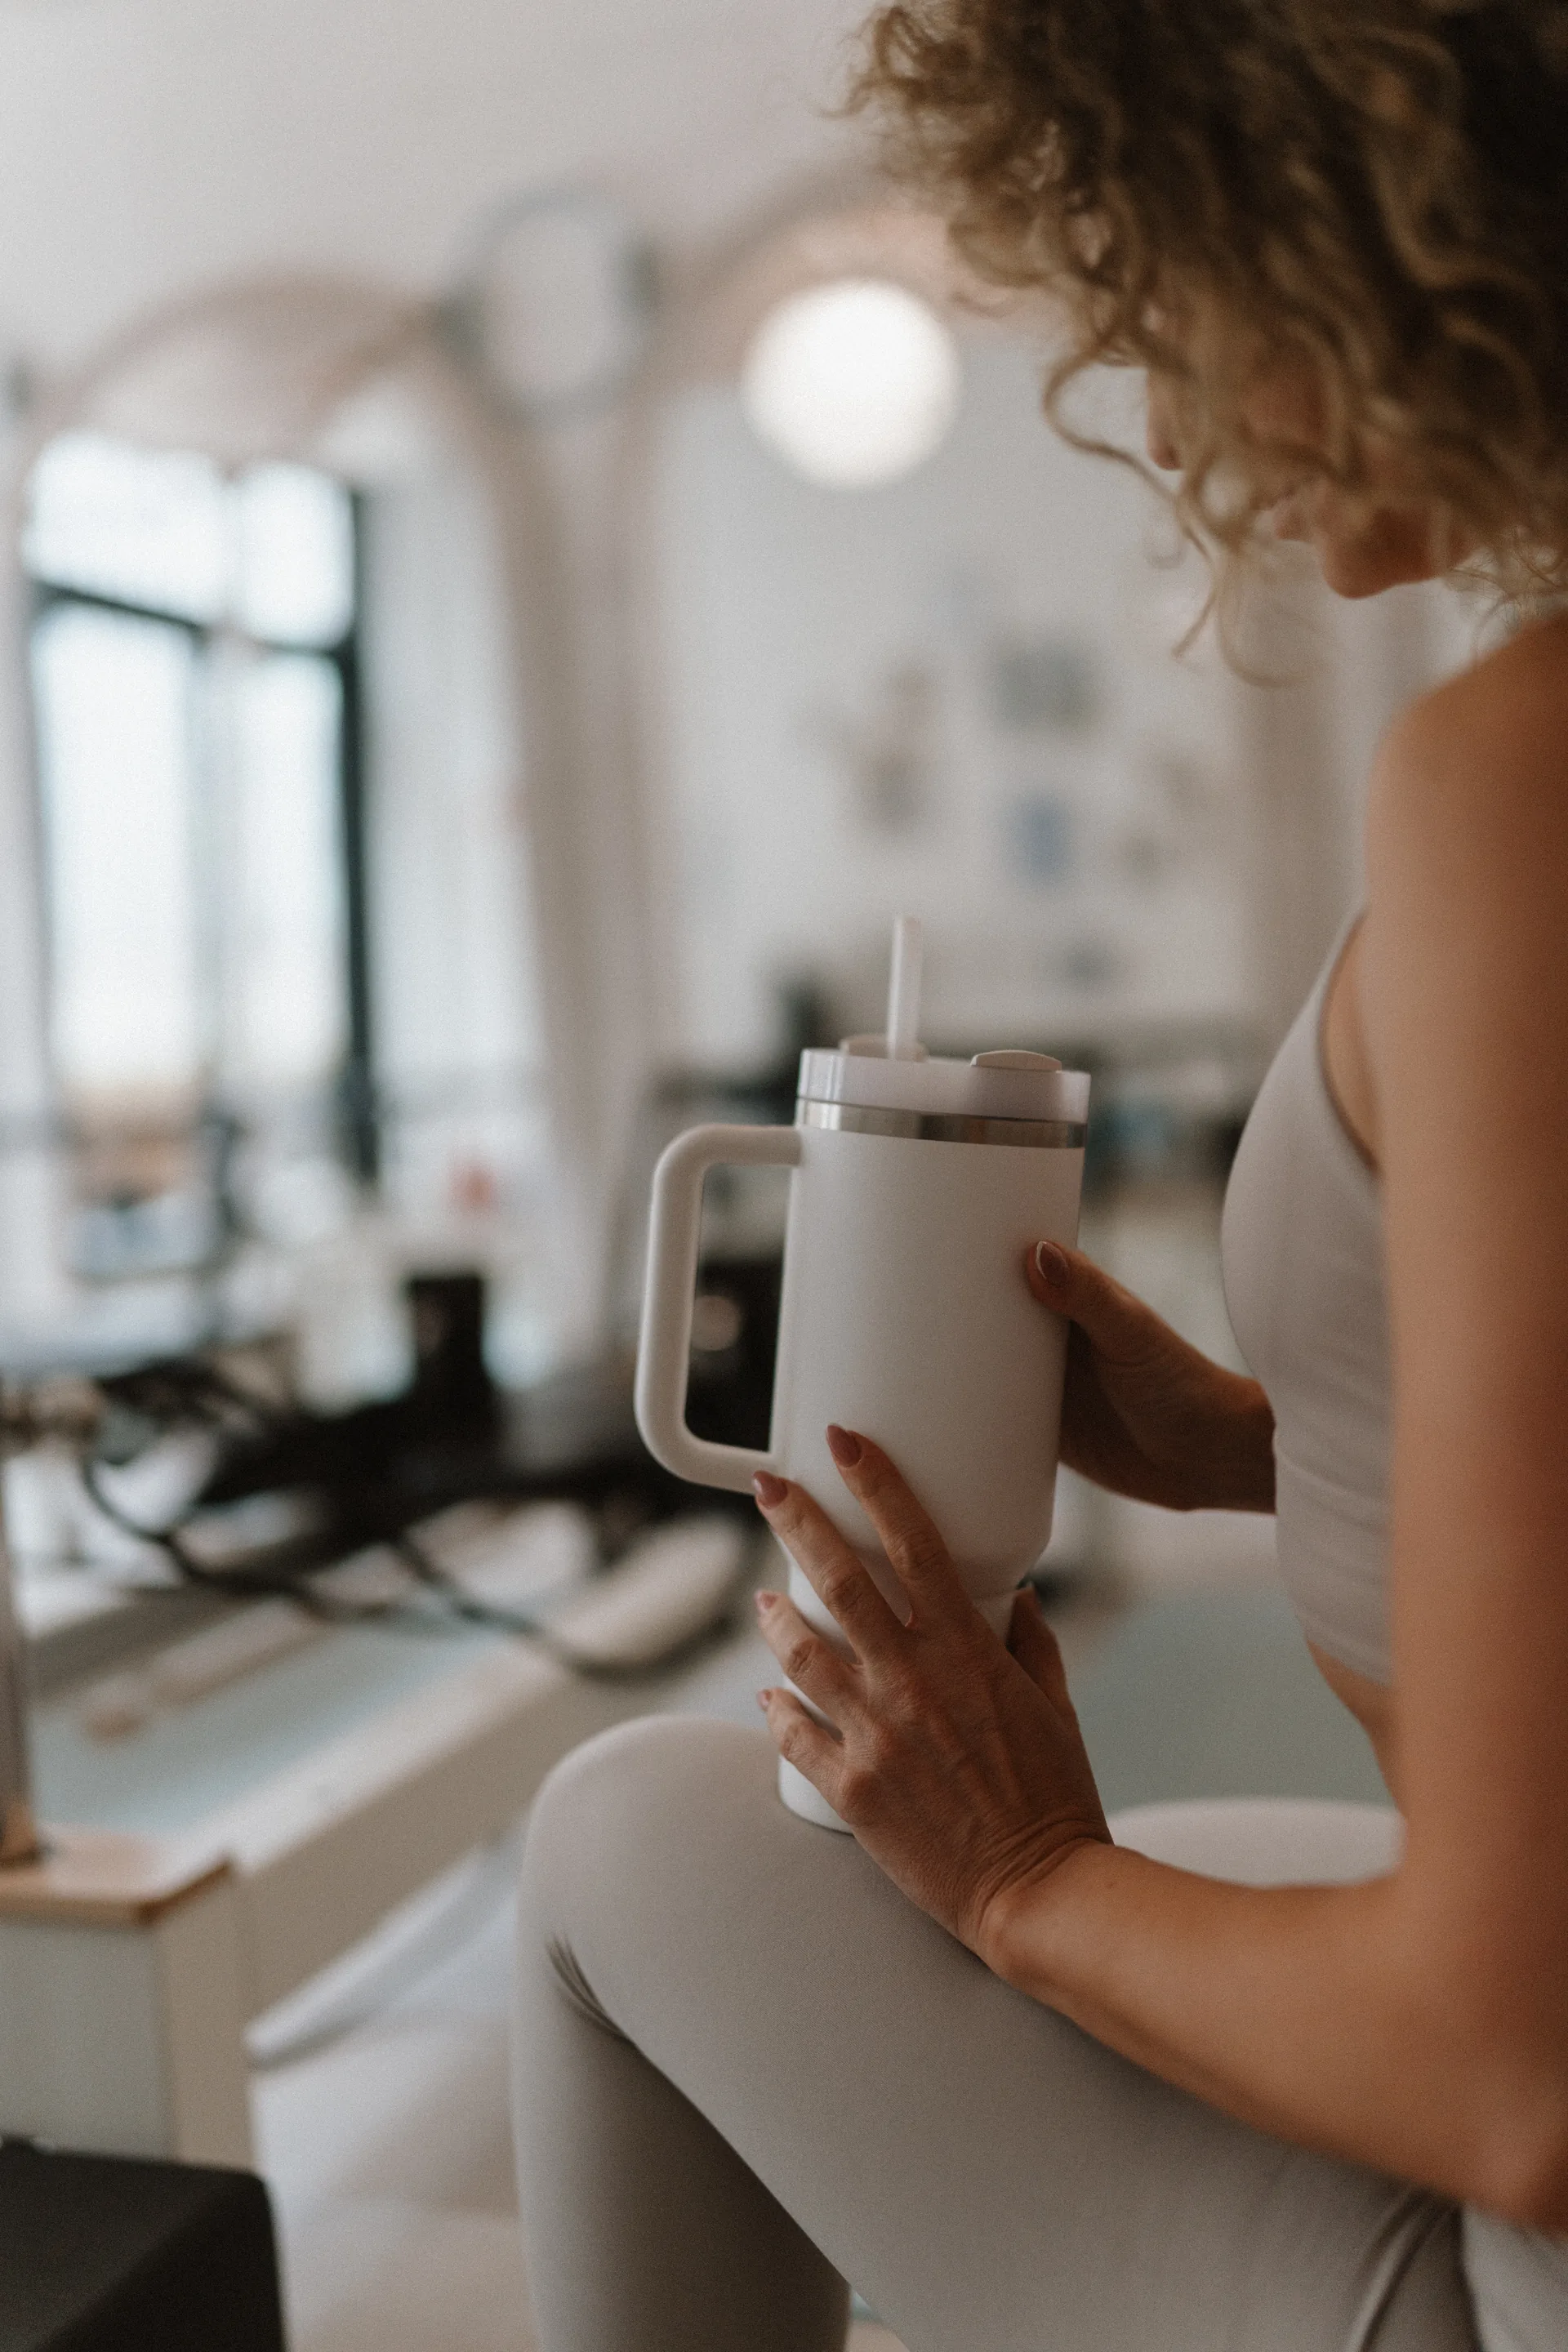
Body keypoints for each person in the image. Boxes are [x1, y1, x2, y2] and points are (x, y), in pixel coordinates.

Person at [513, 4, 1568, 2345]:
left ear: (1369, 199)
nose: (1166, 421)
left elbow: (1522, 2075)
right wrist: (1270, 1445)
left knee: (616, 1832)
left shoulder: (1517, 781)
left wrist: (1022, 1875)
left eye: (1153, 288)